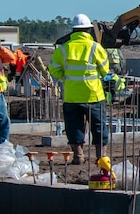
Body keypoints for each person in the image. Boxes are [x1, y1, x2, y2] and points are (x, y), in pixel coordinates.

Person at [47, 14, 112, 165]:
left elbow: (53, 69)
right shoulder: (95, 47)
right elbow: (104, 70)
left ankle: (78, 157)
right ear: (89, 30)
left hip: (71, 96)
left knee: (74, 127)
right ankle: (101, 158)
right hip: (93, 95)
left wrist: (65, 78)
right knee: (98, 127)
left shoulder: (64, 48)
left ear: (73, 30)